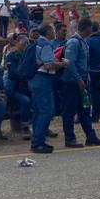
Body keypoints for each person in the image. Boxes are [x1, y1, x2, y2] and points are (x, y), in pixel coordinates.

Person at [59, 19, 100, 149]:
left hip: (81, 80)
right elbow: (70, 63)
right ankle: (70, 138)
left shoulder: (83, 42)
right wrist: (79, 79)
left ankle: (90, 137)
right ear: (87, 28)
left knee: (84, 109)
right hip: (71, 82)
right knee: (69, 110)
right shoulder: (74, 42)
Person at [29, 24, 67, 154]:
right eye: (52, 30)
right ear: (48, 32)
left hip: (34, 79)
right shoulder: (45, 44)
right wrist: (62, 64)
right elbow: (48, 64)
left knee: (38, 111)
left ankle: (36, 139)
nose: (54, 32)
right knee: (46, 111)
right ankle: (38, 142)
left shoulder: (36, 43)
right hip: (43, 79)